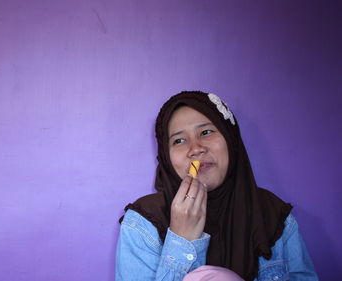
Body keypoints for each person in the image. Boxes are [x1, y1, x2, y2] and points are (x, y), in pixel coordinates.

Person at [115, 91, 318, 281]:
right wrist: (182, 239)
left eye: (206, 131)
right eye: (179, 140)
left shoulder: (275, 216)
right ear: (166, 157)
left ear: (230, 140)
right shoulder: (142, 224)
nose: (196, 149)